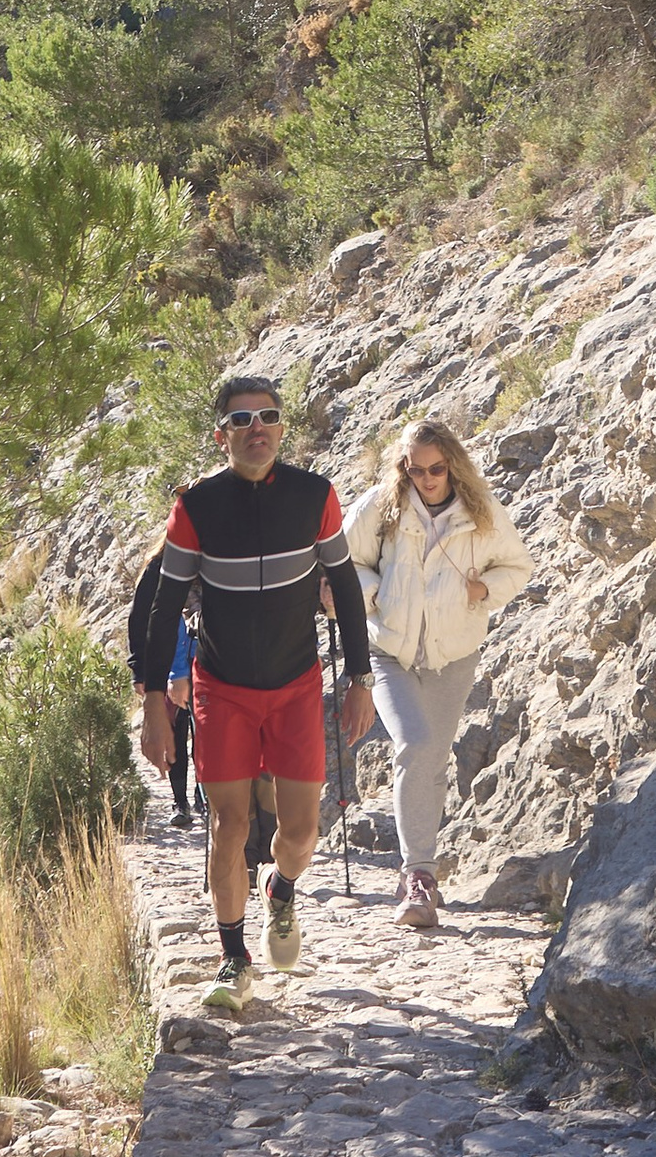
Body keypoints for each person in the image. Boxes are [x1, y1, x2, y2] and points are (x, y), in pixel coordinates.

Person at [136, 372, 375, 1012]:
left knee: (299, 833)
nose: (257, 429)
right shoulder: (197, 507)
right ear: (222, 436)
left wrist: (360, 678)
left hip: (297, 685)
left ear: (281, 428)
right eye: (242, 421)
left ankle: (282, 891)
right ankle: (234, 958)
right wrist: (154, 704)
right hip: (224, 689)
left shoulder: (314, 496)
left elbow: (345, 589)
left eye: (267, 416)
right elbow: (162, 609)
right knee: (228, 823)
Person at [344, 416, 533, 931]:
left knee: (433, 756)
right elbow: (341, 561)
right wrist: (374, 594)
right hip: (389, 653)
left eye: (437, 469)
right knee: (415, 744)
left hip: (454, 655)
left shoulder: (481, 512)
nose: (427, 479)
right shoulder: (380, 508)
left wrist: (482, 591)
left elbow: (518, 567)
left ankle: (421, 872)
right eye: (417, 470)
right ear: (403, 468)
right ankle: (417, 876)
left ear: (452, 465)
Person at [126, 537, 198, 827]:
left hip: (205, 659)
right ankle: (180, 801)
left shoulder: (212, 559)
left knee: (204, 735)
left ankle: (201, 793)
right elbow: (139, 618)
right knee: (177, 730)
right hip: (167, 663)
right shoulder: (158, 566)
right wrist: (140, 671)